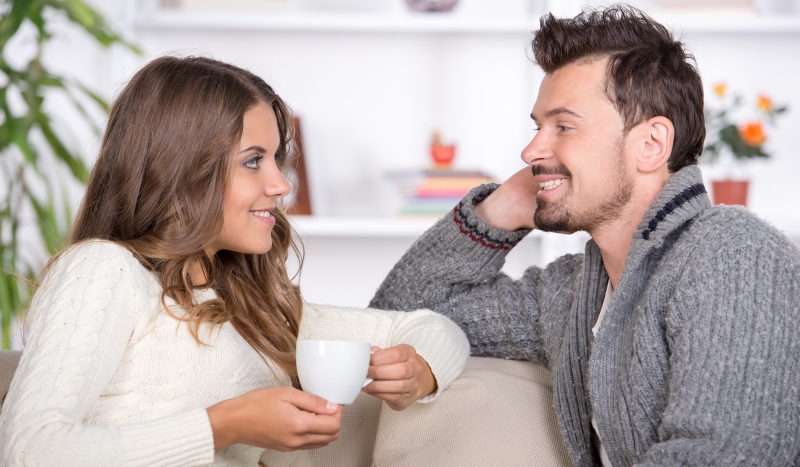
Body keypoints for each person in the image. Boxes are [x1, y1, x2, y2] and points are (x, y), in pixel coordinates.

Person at [370, 5, 800, 466]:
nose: (531, 150)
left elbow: (722, 457)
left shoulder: (734, 256)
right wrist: (500, 210)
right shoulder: (571, 294)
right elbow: (397, 317)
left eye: (563, 126)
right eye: (538, 127)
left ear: (651, 145)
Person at [0, 56, 469, 466]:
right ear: (181, 169)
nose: (281, 184)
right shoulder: (104, 271)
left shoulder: (252, 309)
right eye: (252, 161)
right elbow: (29, 451)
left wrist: (421, 370)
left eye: (276, 159)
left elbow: (428, 327)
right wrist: (225, 424)